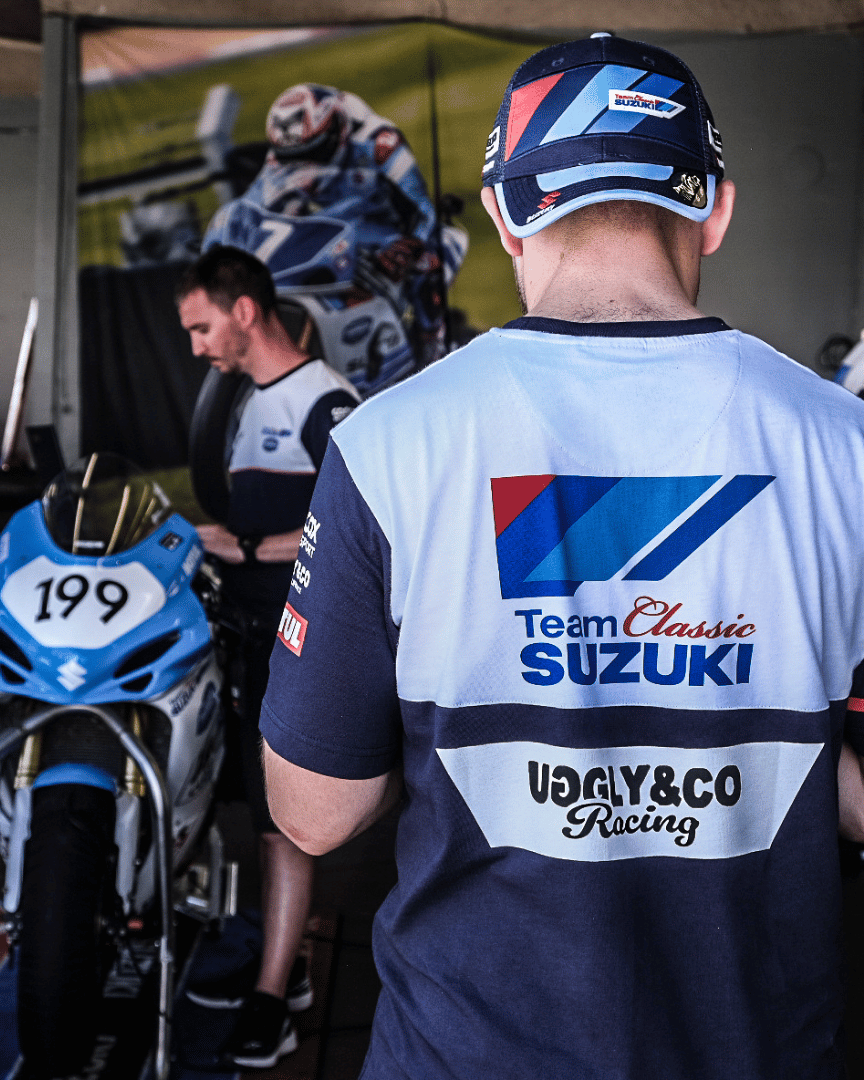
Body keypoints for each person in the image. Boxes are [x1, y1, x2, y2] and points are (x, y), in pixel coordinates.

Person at [258, 33, 864, 1080]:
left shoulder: (390, 443)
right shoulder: (844, 446)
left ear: (502, 216)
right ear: (716, 207)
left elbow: (314, 813)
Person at [175, 244, 360, 1069]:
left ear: (243, 311)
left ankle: (273, 996)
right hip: (247, 640)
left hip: (297, 644)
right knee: (258, 818)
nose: (195, 345)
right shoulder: (247, 400)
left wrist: (245, 549)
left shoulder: (329, 402)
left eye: (200, 326)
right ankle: (283, 967)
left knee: (285, 823)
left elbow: (354, 536)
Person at [208, 82, 467, 364]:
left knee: (428, 263)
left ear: (337, 132)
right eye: (292, 158)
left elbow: (422, 210)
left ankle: (433, 343)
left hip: (386, 227)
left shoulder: (381, 144)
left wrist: (408, 246)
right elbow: (255, 206)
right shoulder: (282, 153)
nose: (303, 166)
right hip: (332, 227)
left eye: (314, 152)